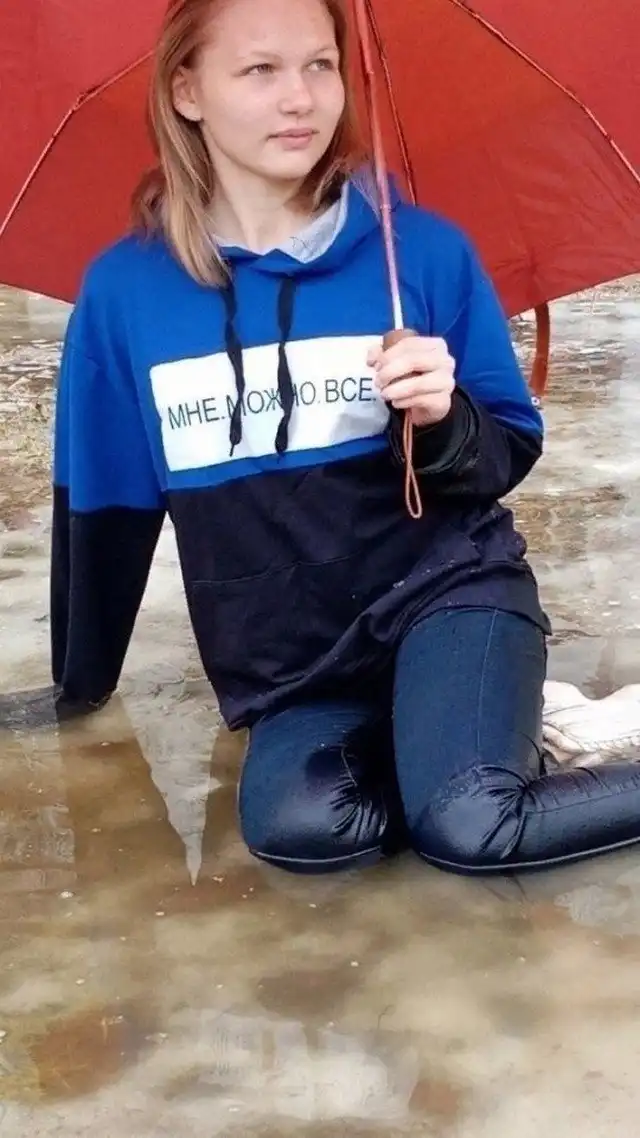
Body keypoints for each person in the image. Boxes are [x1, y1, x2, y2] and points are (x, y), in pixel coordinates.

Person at [50, 0, 640, 877]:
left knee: (471, 826)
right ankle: (485, 736)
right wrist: (77, 687)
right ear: (187, 91)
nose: (301, 98)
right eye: (261, 69)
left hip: (449, 600)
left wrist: (442, 419)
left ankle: (471, 746)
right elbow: (105, 510)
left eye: (320, 65)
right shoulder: (124, 295)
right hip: (296, 664)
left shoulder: (422, 256)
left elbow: (508, 449)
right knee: (305, 833)